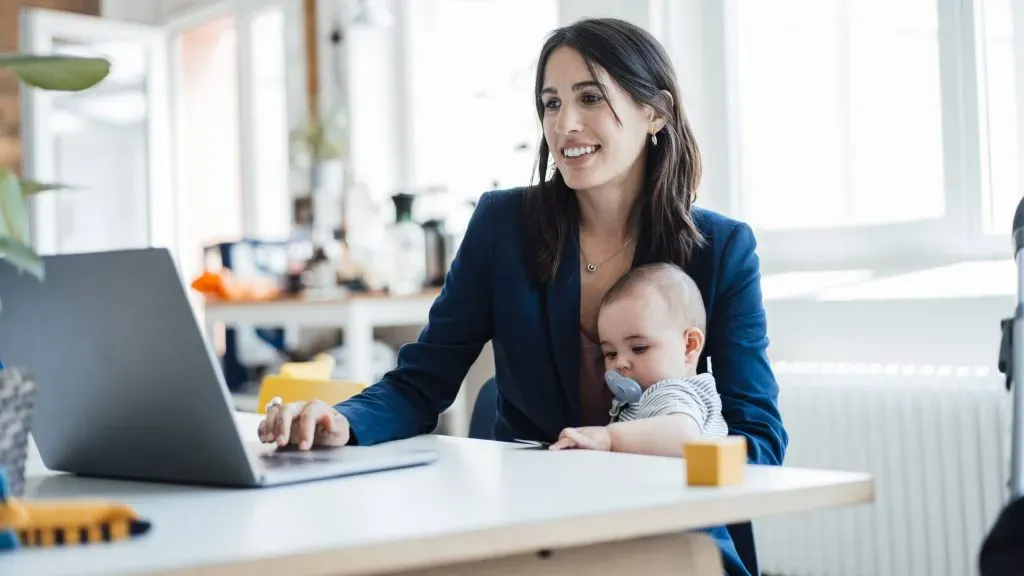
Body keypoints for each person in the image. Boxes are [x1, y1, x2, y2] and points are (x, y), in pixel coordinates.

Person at [258, 17, 787, 576]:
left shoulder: (721, 248)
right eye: (551, 103)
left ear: (653, 112)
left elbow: (760, 439)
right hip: (531, 526)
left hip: (666, 525)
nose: (565, 124)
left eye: (590, 97)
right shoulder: (502, 226)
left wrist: (650, 450)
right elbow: (421, 383)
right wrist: (342, 420)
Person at [549, 262, 728, 455]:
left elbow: (684, 435)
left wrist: (609, 438)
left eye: (639, 348)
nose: (619, 363)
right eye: (611, 353)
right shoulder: (644, 397)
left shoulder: (671, 391)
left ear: (689, 346)